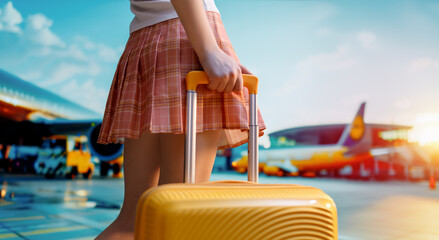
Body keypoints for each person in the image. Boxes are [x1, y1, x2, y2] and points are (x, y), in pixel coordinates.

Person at [95, 0, 266, 239]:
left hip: (146, 44)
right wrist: (209, 50)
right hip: (189, 39)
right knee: (178, 215)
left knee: (132, 222)